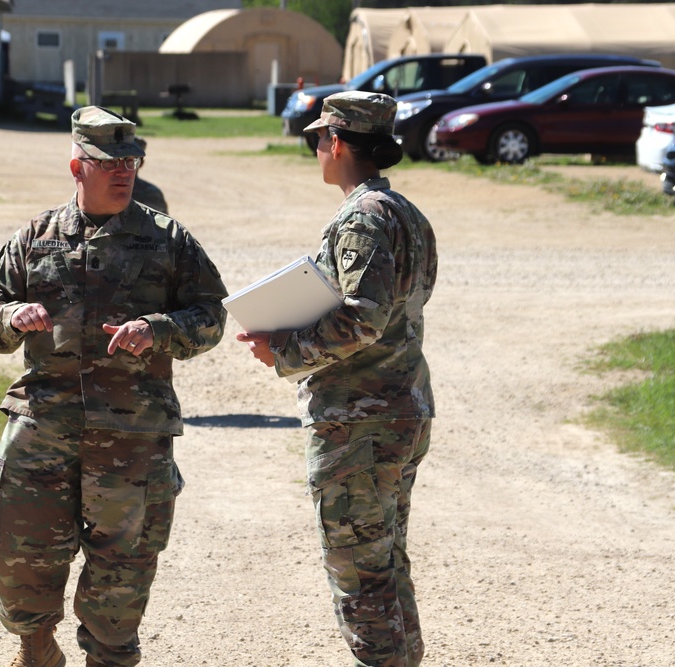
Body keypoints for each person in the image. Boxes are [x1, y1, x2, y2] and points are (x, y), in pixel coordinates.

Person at [0, 106, 228, 667]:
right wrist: (12, 318)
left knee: (124, 567)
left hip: (131, 436)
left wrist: (159, 330)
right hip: (43, 427)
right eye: (109, 161)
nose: (123, 170)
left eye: (131, 160)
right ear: (77, 166)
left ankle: (108, 659)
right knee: (22, 551)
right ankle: (35, 648)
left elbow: (212, 315)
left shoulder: (168, 240)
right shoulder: (35, 237)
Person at [237, 91, 437, 667]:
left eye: (320, 137)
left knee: (360, 570)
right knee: (386, 560)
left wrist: (283, 350)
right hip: (400, 408)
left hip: (360, 421)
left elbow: (361, 320)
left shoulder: (362, 218)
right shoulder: (407, 215)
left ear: (340, 143)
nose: (317, 147)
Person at [130, 137, 169, 214]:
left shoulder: (150, 194)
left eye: (131, 161)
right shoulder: (151, 192)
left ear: (141, 163)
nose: (124, 167)